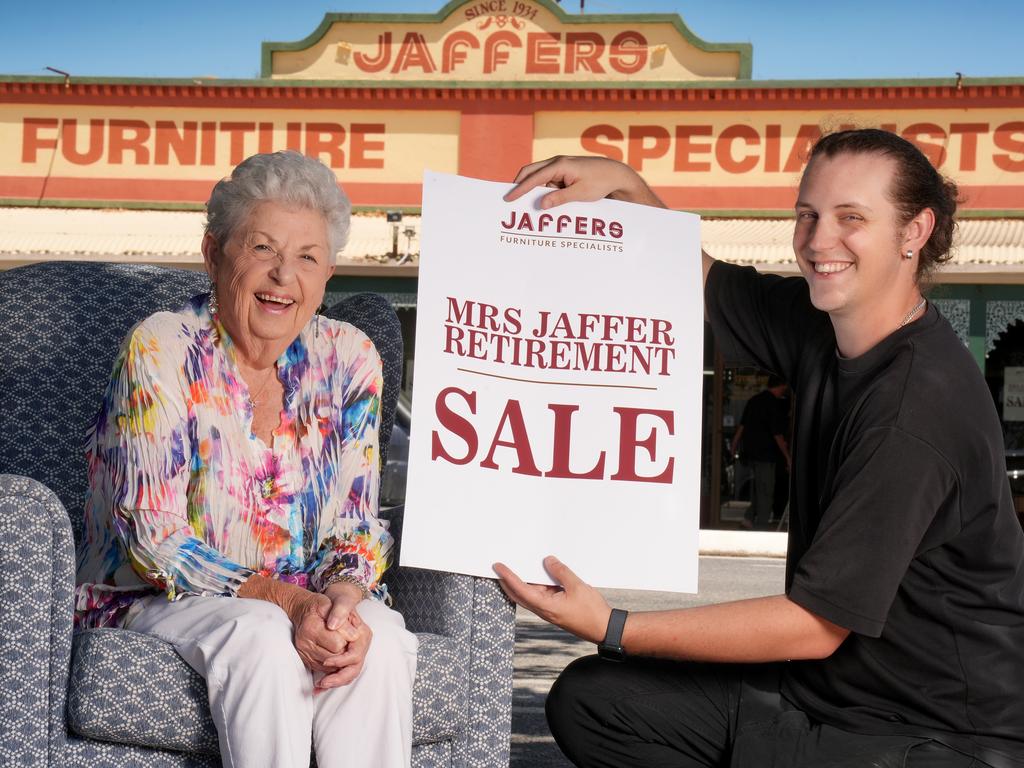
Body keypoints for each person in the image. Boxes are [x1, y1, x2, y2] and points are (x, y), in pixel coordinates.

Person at [495, 130, 1024, 767]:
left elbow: (815, 624)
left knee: (616, 658)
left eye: (851, 217)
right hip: (822, 694)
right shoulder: (820, 323)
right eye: (808, 214)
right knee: (596, 702)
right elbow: (700, 277)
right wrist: (622, 180)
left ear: (914, 232)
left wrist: (613, 625)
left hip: (935, 733)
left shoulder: (916, 406)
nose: (819, 240)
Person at [75, 151, 417, 768]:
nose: (284, 274)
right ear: (214, 254)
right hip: (158, 599)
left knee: (380, 640)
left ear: (327, 274)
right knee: (260, 636)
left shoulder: (351, 358)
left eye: (308, 257)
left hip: (304, 596)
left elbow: (355, 525)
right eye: (263, 249)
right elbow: (152, 539)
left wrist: (340, 596)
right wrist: (284, 602)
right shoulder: (162, 348)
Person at [732, 375, 790, 529]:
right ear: (780, 387)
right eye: (783, 389)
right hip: (766, 454)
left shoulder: (754, 401)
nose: (783, 393)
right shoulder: (773, 404)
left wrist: (734, 445)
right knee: (766, 491)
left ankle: (749, 518)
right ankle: (762, 527)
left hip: (752, 453)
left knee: (760, 487)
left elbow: (742, 426)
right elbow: (777, 434)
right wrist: (787, 457)